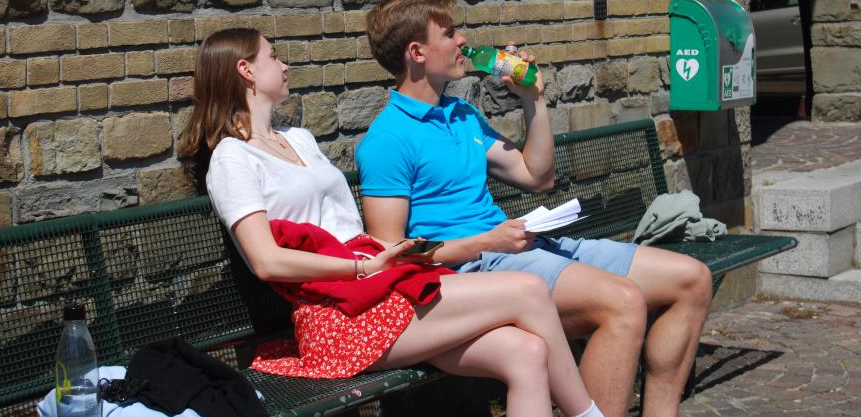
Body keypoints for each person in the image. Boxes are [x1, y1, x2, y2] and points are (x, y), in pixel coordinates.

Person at [178, 27, 606, 417]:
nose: (285, 65)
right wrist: (363, 267)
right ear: (246, 69)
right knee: (529, 290)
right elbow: (267, 261)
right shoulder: (232, 158)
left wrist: (386, 260)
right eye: (273, 56)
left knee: (527, 353)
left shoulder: (299, 140)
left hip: (382, 288)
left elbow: (347, 228)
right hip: (340, 314)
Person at [355, 0, 714, 417]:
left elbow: (537, 177)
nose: (463, 41)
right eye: (450, 33)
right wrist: (487, 242)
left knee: (691, 279)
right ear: (417, 51)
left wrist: (533, 100)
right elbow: (391, 257)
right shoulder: (387, 140)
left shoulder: (461, 115)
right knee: (622, 301)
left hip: (523, 249)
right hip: (475, 269)